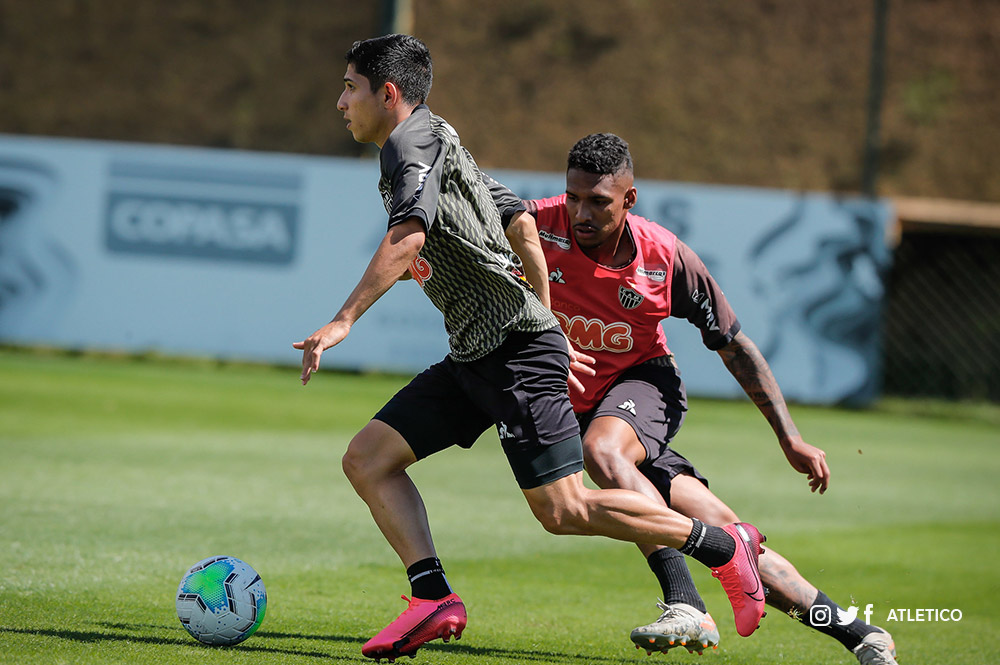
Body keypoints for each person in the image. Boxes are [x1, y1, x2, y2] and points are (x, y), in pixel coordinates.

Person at [294, 36, 766, 663]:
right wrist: (547, 316)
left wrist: (343, 320)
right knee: (368, 458)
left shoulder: (411, 145)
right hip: (479, 350)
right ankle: (432, 598)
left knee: (564, 509)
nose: (340, 101)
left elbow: (408, 236)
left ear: (389, 94)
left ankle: (722, 547)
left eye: (350, 87)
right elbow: (518, 218)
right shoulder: (439, 137)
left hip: (511, 351)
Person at [516, 132, 898, 664]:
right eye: (573, 197)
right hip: (583, 404)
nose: (581, 212)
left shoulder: (665, 257)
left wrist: (790, 437)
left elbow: (734, 344)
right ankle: (862, 635)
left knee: (603, 453)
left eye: (598, 202)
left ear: (629, 200)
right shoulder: (534, 225)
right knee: (722, 532)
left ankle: (684, 603)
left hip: (644, 385)